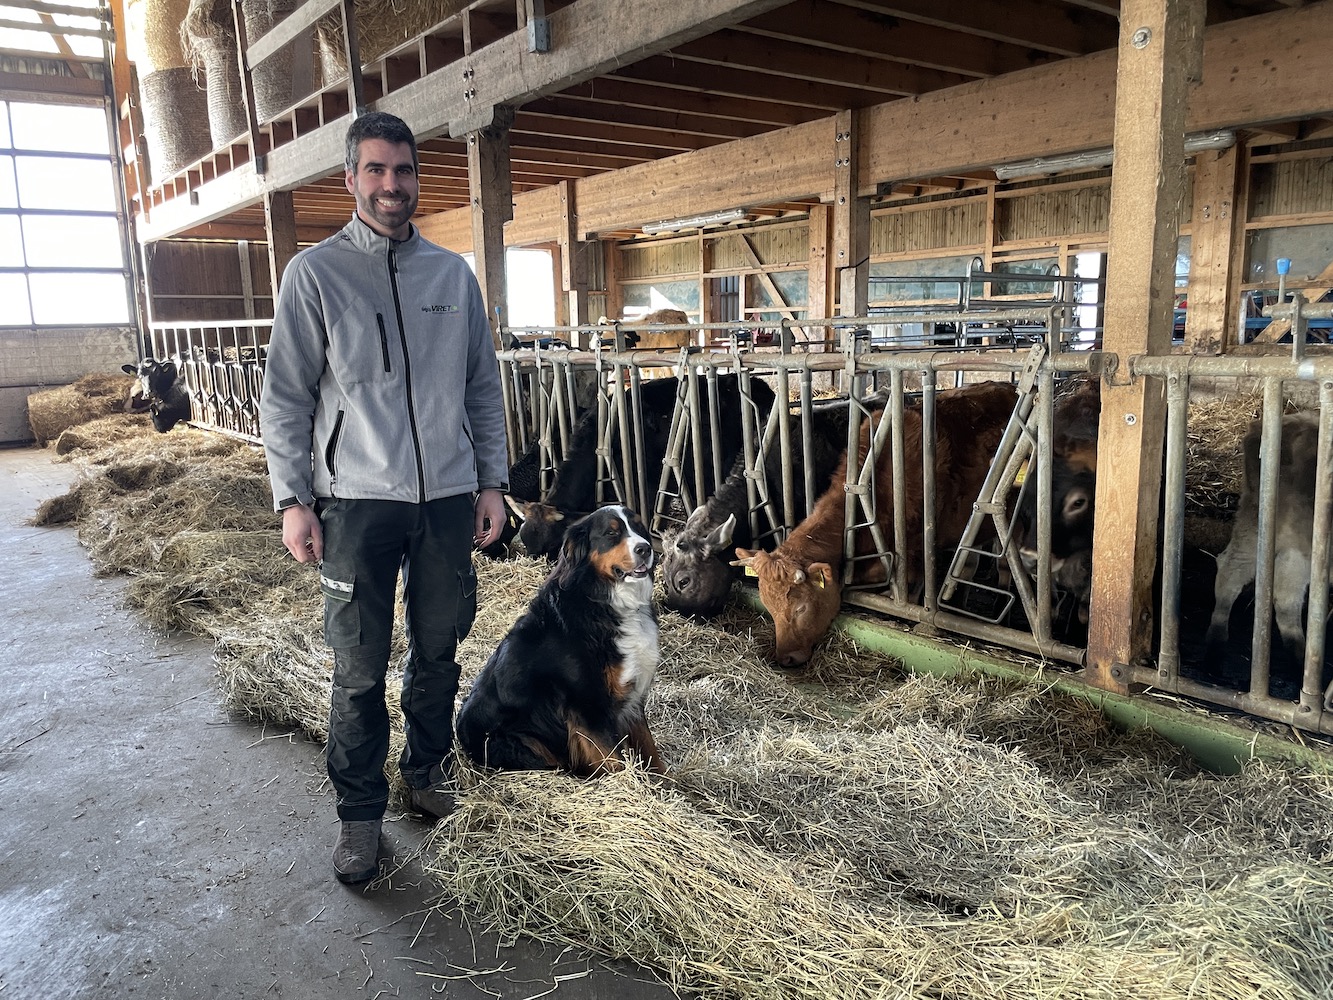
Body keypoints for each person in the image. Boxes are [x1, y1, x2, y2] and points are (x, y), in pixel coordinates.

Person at [259, 111, 509, 886]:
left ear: (416, 178)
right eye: (375, 169)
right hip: (355, 501)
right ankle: (361, 813)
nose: (390, 184)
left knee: (438, 651)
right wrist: (293, 499)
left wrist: (491, 481)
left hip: (445, 499)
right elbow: (285, 396)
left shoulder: (451, 276)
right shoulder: (315, 274)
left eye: (402, 170)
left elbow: (481, 387)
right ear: (350, 179)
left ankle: (426, 773)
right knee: (360, 666)